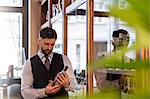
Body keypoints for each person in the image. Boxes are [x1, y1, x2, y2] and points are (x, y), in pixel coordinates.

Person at [21, 27, 77, 99]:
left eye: (52, 44)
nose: (49, 48)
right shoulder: (29, 64)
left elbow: (74, 86)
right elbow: (25, 92)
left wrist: (67, 84)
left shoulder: (64, 59)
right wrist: (44, 92)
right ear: (39, 41)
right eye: (46, 44)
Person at [94, 29, 133, 93]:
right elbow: (100, 84)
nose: (125, 43)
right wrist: (119, 82)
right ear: (113, 42)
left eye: (127, 40)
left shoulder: (131, 62)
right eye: (121, 40)